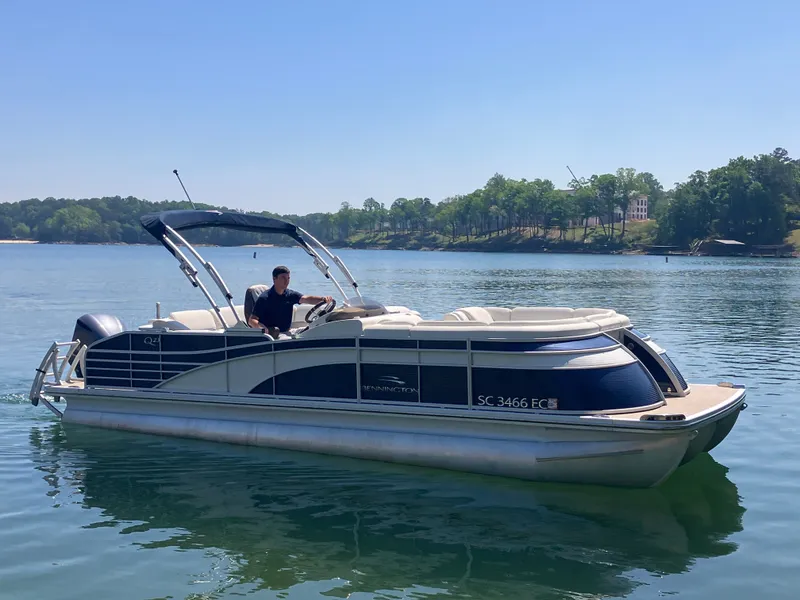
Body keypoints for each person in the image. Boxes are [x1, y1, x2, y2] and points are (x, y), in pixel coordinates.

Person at [248, 265, 333, 336]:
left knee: (315, 330)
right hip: (276, 335)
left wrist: (323, 299)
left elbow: (305, 299)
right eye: (283, 278)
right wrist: (264, 330)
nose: (287, 281)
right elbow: (252, 320)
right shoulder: (265, 298)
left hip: (289, 332)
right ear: (274, 279)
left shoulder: (290, 294)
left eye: (288, 278)